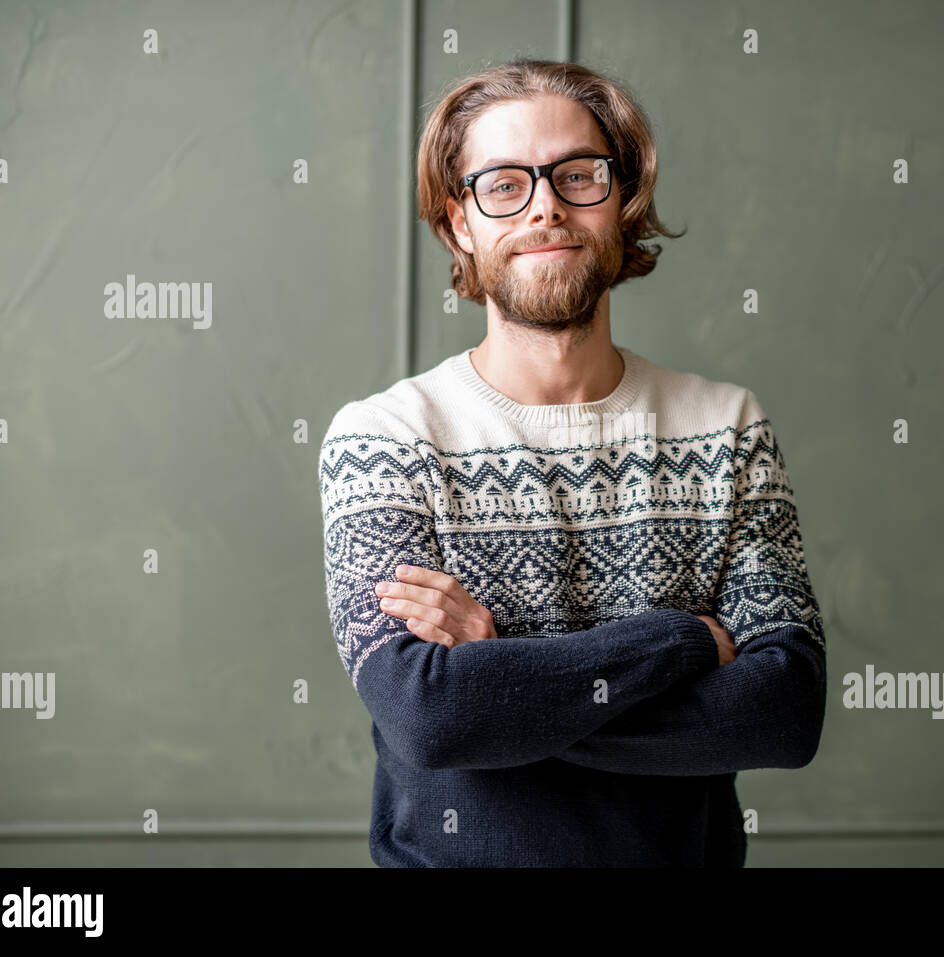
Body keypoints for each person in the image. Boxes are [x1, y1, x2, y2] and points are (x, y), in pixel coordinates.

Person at [318, 57, 826, 867]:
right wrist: (683, 642)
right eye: (505, 185)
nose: (546, 206)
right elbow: (431, 720)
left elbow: (786, 713)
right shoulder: (382, 438)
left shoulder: (726, 425)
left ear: (622, 201)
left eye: (577, 175)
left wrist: (501, 682)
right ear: (459, 223)